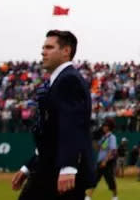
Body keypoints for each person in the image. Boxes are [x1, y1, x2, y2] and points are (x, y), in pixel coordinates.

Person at [11, 30, 95, 200]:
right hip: (49, 168)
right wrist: (28, 167)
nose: (43, 51)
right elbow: (50, 135)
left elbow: (71, 126)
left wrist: (68, 167)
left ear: (66, 51)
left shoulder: (68, 80)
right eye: (43, 47)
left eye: (49, 47)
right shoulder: (57, 81)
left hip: (57, 172)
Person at [84, 118, 118, 200]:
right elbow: (97, 148)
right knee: (95, 179)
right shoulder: (103, 137)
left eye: (105, 126)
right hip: (100, 161)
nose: (104, 127)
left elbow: (112, 150)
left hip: (107, 162)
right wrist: (93, 140)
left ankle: (115, 196)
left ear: (109, 127)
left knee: (110, 180)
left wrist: (105, 161)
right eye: (104, 126)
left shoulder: (112, 137)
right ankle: (88, 196)